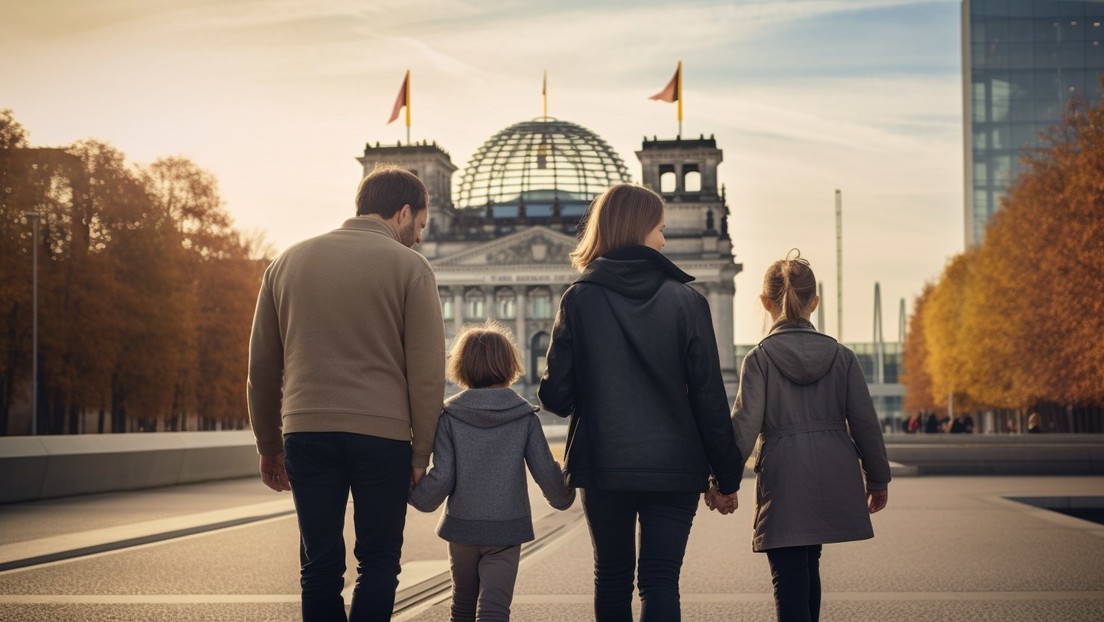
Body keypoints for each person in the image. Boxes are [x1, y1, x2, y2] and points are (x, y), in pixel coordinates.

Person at [247, 166, 446, 621]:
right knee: (378, 562)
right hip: (383, 437)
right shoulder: (411, 267)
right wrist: (422, 452)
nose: (418, 238)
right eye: (419, 226)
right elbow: (427, 371)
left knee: (318, 566)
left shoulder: (286, 262)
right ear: (402, 212)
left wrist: (268, 446)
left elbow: (261, 369)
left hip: (307, 432)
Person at [538, 183, 744, 622]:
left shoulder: (579, 298)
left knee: (612, 578)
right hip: (674, 466)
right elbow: (710, 398)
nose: (664, 240)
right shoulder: (688, 301)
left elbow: (555, 396)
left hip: (604, 464)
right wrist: (726, 477)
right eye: (660, 228)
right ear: (639, 228)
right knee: (660, 579)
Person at [723, 250, 891, 622]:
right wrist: (877, 478)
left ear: (766, 302)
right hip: (832, 470)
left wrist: (722, 481)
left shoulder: (760, 358)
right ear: (815, 301)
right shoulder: (841, 356)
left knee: (788, 572)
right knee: (810, 561)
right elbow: (865, 423)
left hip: (784, 474)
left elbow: (745, 426)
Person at [410, 322, 575, 621]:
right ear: (510, 365)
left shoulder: (449, 417)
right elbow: (545, 473)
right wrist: (564, 494)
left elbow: (442, 477)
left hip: (461, 528)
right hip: (506, 528)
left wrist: (416, 494)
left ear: (461, 367)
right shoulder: (525, 418)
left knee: (461, 605)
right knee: (494, 609)